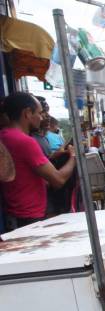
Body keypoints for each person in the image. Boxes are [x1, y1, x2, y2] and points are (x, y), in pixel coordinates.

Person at [0, 92, 75, 230]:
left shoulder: (4, 136)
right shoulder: (25, 141)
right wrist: (73, 157)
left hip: (14, 215)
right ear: (27, 113)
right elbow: (58, 180)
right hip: (30, 217)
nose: (41, 118)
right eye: (39, 113)